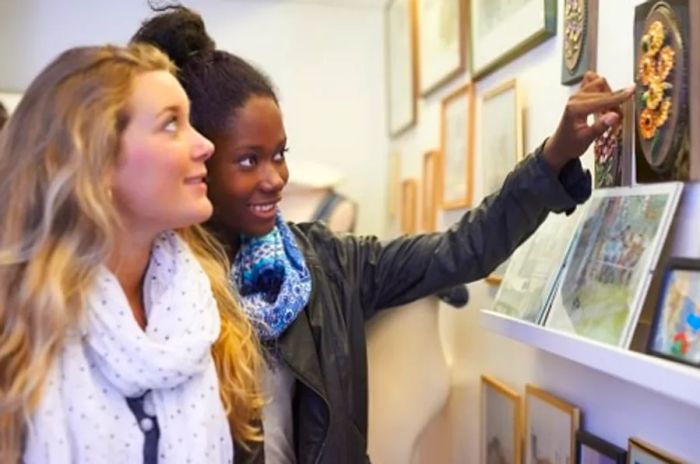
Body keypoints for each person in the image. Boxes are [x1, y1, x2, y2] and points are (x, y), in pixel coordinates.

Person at [133, 7, 633, 463]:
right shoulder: (162, 289)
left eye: (280, 154)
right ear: (200, 158)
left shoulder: (326, 263)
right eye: (249, 160)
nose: (275, 178)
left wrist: (555, 156)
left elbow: (463, 251)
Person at [0, 43, 264, 463]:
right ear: (98, 160)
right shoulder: (16, 327)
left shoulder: (202, 314)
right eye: (171, 124)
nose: (204, 145)